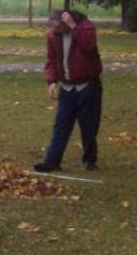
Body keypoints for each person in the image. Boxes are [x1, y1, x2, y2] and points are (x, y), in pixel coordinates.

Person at [34, 10, 103, 173]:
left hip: (88, 86)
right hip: (66, 88)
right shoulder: (52, 35)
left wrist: (74, 27)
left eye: (57, 27)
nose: (54, 31)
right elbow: (51, 60)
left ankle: (90, 160)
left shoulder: (86, 28)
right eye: (52, 28)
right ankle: (52, 162)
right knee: (61, 125)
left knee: (89, 126)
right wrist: (51, 81)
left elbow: (89, 48)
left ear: (66, 21)